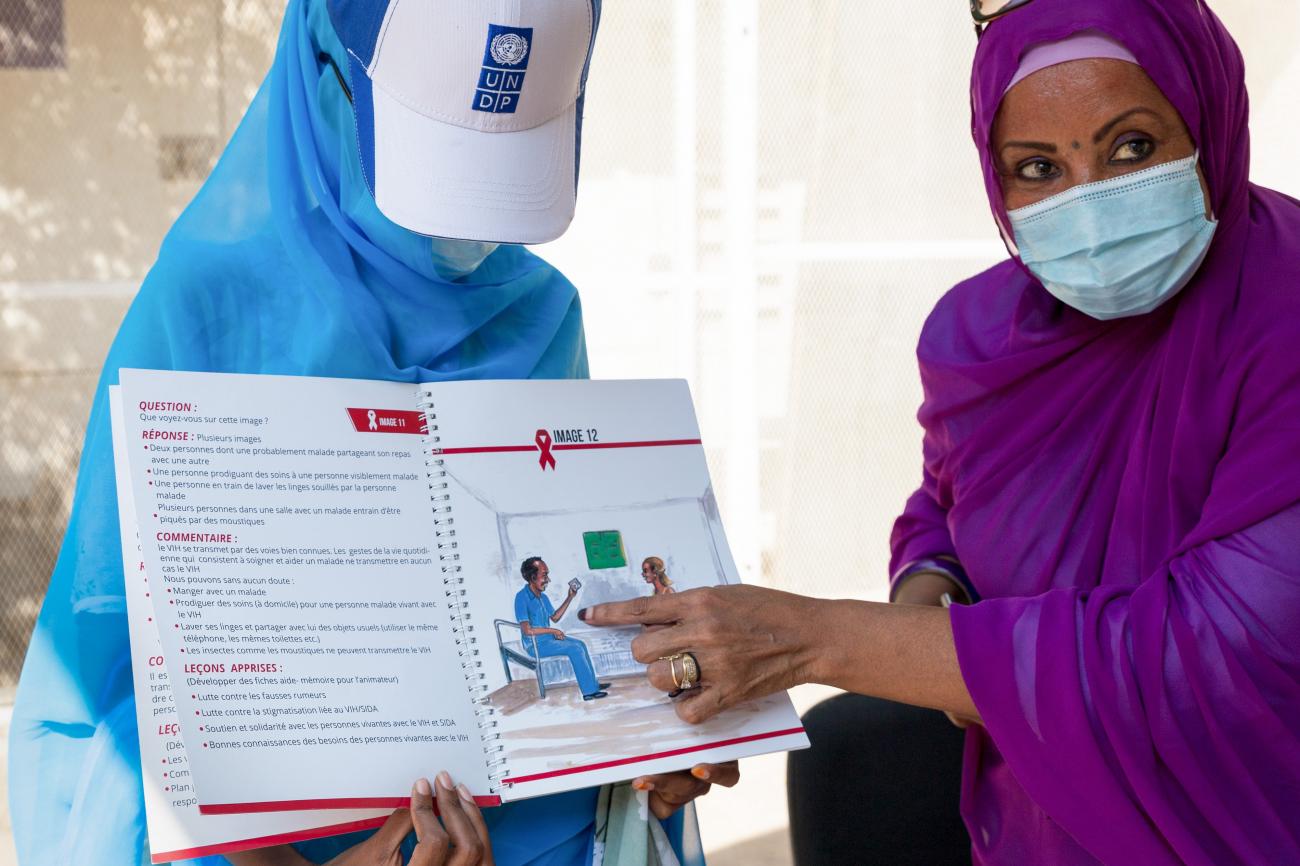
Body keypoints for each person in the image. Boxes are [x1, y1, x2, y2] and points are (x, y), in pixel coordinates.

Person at [7, 1, 729, 863]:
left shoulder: (542, 313)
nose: (462, 224)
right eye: (430, 149)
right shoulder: (202, 312)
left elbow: (575, 623)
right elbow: (119, 696)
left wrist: (651, 746)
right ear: (326, 79)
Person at [580, 0, 1300, 863]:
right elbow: (943, 508)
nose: (1091, 200)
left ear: (1208, 122)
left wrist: (818, 639)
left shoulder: (1281, 317)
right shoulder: (983, 339)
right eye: (1038, 166)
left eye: (1133, 147)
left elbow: (1209, 656)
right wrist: (926, 600)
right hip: (1033, 808)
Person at [515, 557, 608, 701]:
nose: (548, 580)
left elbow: (555, 618)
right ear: (533, 577)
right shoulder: (521, 598)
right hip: (535, 645)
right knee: (574, 649)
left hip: (547, 640)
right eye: (544, 575)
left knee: (580, 644)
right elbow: (527, 630)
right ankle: (589, 692)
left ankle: (592, 684)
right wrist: (553, 631)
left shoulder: (543, 597)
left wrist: (570, 597)